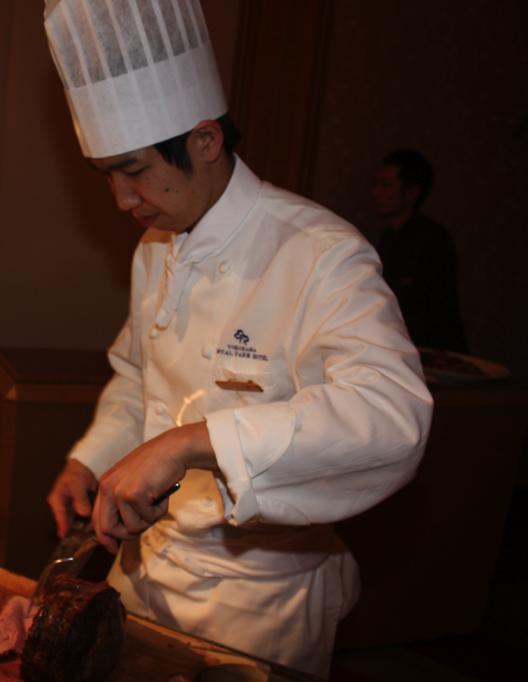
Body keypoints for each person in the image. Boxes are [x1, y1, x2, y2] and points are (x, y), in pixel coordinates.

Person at [42, 2, 432, 675]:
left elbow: (391, 416)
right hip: (142, 571)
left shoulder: (320, 253)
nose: (121, 199)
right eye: (106, 174)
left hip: (259, 603)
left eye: (133, 171)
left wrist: (191, 443)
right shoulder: (154, 248)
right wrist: (92, 460)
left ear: (205, 141)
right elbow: (138, 378)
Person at [373, 149, 467, 352]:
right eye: (377, 184)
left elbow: (435, 311)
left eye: (386, 185)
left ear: (412, 193)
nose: (377, 192)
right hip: (400, 346)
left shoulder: (433, 239)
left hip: (431, 351)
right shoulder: (388, 238)